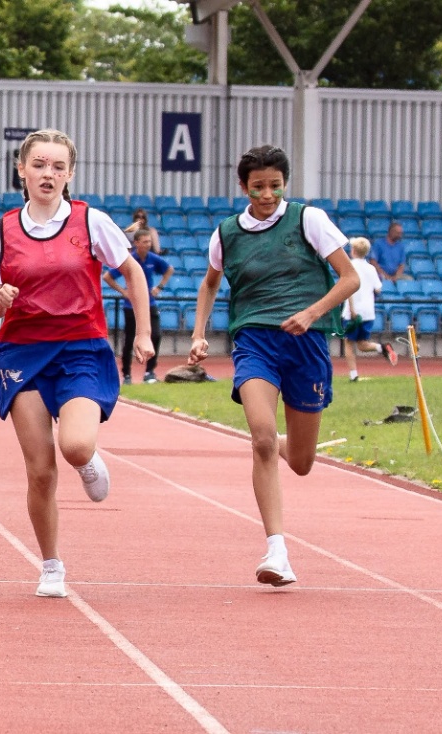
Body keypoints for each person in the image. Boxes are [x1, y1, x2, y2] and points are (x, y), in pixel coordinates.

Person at [0, 129, 151, 599]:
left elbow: (131, 270)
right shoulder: (3, 230)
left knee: (74, 446)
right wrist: (1, 298)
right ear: (22, 170)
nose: (48, 174)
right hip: (23, 353)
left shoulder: (91, 221)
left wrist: (144, 332)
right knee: (39, 470)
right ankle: (51, 564)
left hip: (81, 347)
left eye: (57, 166)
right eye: (39, 165)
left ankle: (89, 460)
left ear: (70, 173)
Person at [186, 144, 360, 588]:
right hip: (254, 341)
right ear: (242, 186)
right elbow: (210, 285)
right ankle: (276, 550)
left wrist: (312, 313)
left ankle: (288, 441)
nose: (267, 194)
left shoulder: (309, 219)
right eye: (258, 186)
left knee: (301, 462)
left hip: (307, 344)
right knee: (261, 439)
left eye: (275, 185)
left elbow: (350, 278)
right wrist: (199, 333)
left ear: (285, 183)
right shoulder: (226, 233)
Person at [103, 228, 171, 383]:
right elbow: (108, 277)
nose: (148, 244)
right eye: (145, 241)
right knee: (129, 340)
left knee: (156, 335)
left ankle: (150, 373)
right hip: (130, 306)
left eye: (149, 241)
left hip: (150, 303)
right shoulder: (129, 259)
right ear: (136, 243)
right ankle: (127, 374)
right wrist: (124, 292)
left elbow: (169, 270)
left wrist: (159, 287)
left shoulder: (153, 259)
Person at [339, 237, 396, 381]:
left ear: (353, 251)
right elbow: (378, 289)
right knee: (362, 344)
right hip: (368, 312)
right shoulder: (371, 268)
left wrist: (351, 309)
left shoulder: (349, 266)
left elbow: (348, 289)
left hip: (354, 311)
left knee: (348, 342)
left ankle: (353, 375)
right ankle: (382, 348)